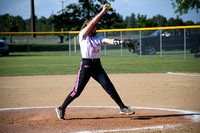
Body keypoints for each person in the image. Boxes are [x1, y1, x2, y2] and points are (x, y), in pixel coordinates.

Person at [55, 3, 134, 120]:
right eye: (93, 26)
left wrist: (122, 42)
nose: (95, 27)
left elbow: (110, 41)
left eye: (96, 26)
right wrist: (102, 11)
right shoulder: (83, 35)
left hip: (97, 65)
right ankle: (61, 108)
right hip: (86, 65)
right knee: (77, 92)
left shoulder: (98, 37)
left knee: (109, 86)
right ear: (88, 27)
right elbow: (91, 22)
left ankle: (122, 107)